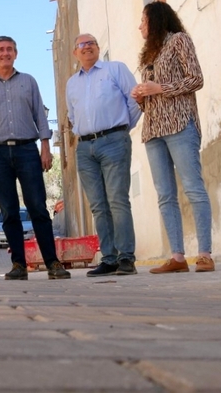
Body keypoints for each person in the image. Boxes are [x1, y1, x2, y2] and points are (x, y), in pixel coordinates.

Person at [0, 36, 70, 281]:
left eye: (10, 50)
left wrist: (45, 148)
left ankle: (52, 263)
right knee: (9, 211)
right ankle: (18, 265)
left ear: (16, 54)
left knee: (37, 206)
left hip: (28, 150)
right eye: (1, 50)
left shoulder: (29, 81)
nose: (5, 53)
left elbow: (40, 115)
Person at [130, 0, 215, 274]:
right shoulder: (148, 55)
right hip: (153, 130)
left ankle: (204, 254)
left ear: (155, 20)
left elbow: (196, 79)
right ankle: (177, 256)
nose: (140, 25)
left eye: (143, 20)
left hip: (180, 124)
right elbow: (151, 96)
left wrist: (160, 87)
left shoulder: (179, 40)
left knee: (193, 188)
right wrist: (141, 96)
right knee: (165, 195)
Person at [65, 33, 142, 277]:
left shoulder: (115, 69)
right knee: (98, 205)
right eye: (81, 45)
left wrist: (120, 129)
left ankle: (126, 257)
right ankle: (109, 259)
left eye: (91, 43)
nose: (87, 47)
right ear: (75, 53)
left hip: (114, 141)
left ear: (98, 48)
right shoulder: (71, 83)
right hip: (85, 148)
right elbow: (72, 115)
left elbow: (136, 101)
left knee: (117, 200)